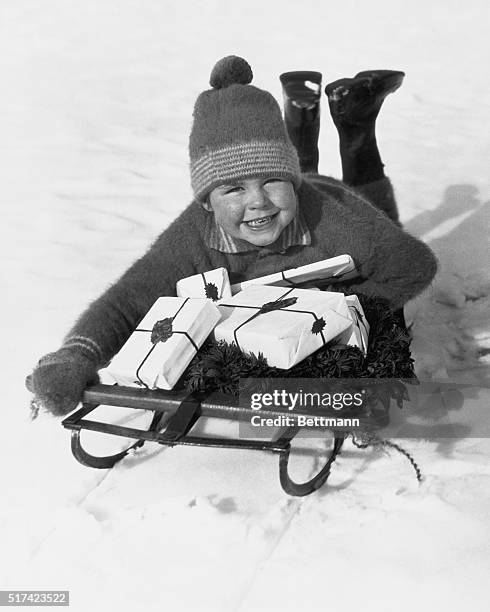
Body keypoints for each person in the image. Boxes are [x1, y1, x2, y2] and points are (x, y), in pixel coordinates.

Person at [26, 55, 437, 416]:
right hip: (298, 190)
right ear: (207, 202)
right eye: (233, 189)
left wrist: (349, 309)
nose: (256, 201)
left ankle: (355, 119)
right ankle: (300, 111)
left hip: (334, 197)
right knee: (283, 183)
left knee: (374, 206)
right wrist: (75, 355)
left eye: (272, 181)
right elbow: (128, 300)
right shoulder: (194, 236)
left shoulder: (337, 223)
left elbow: (414, 264)